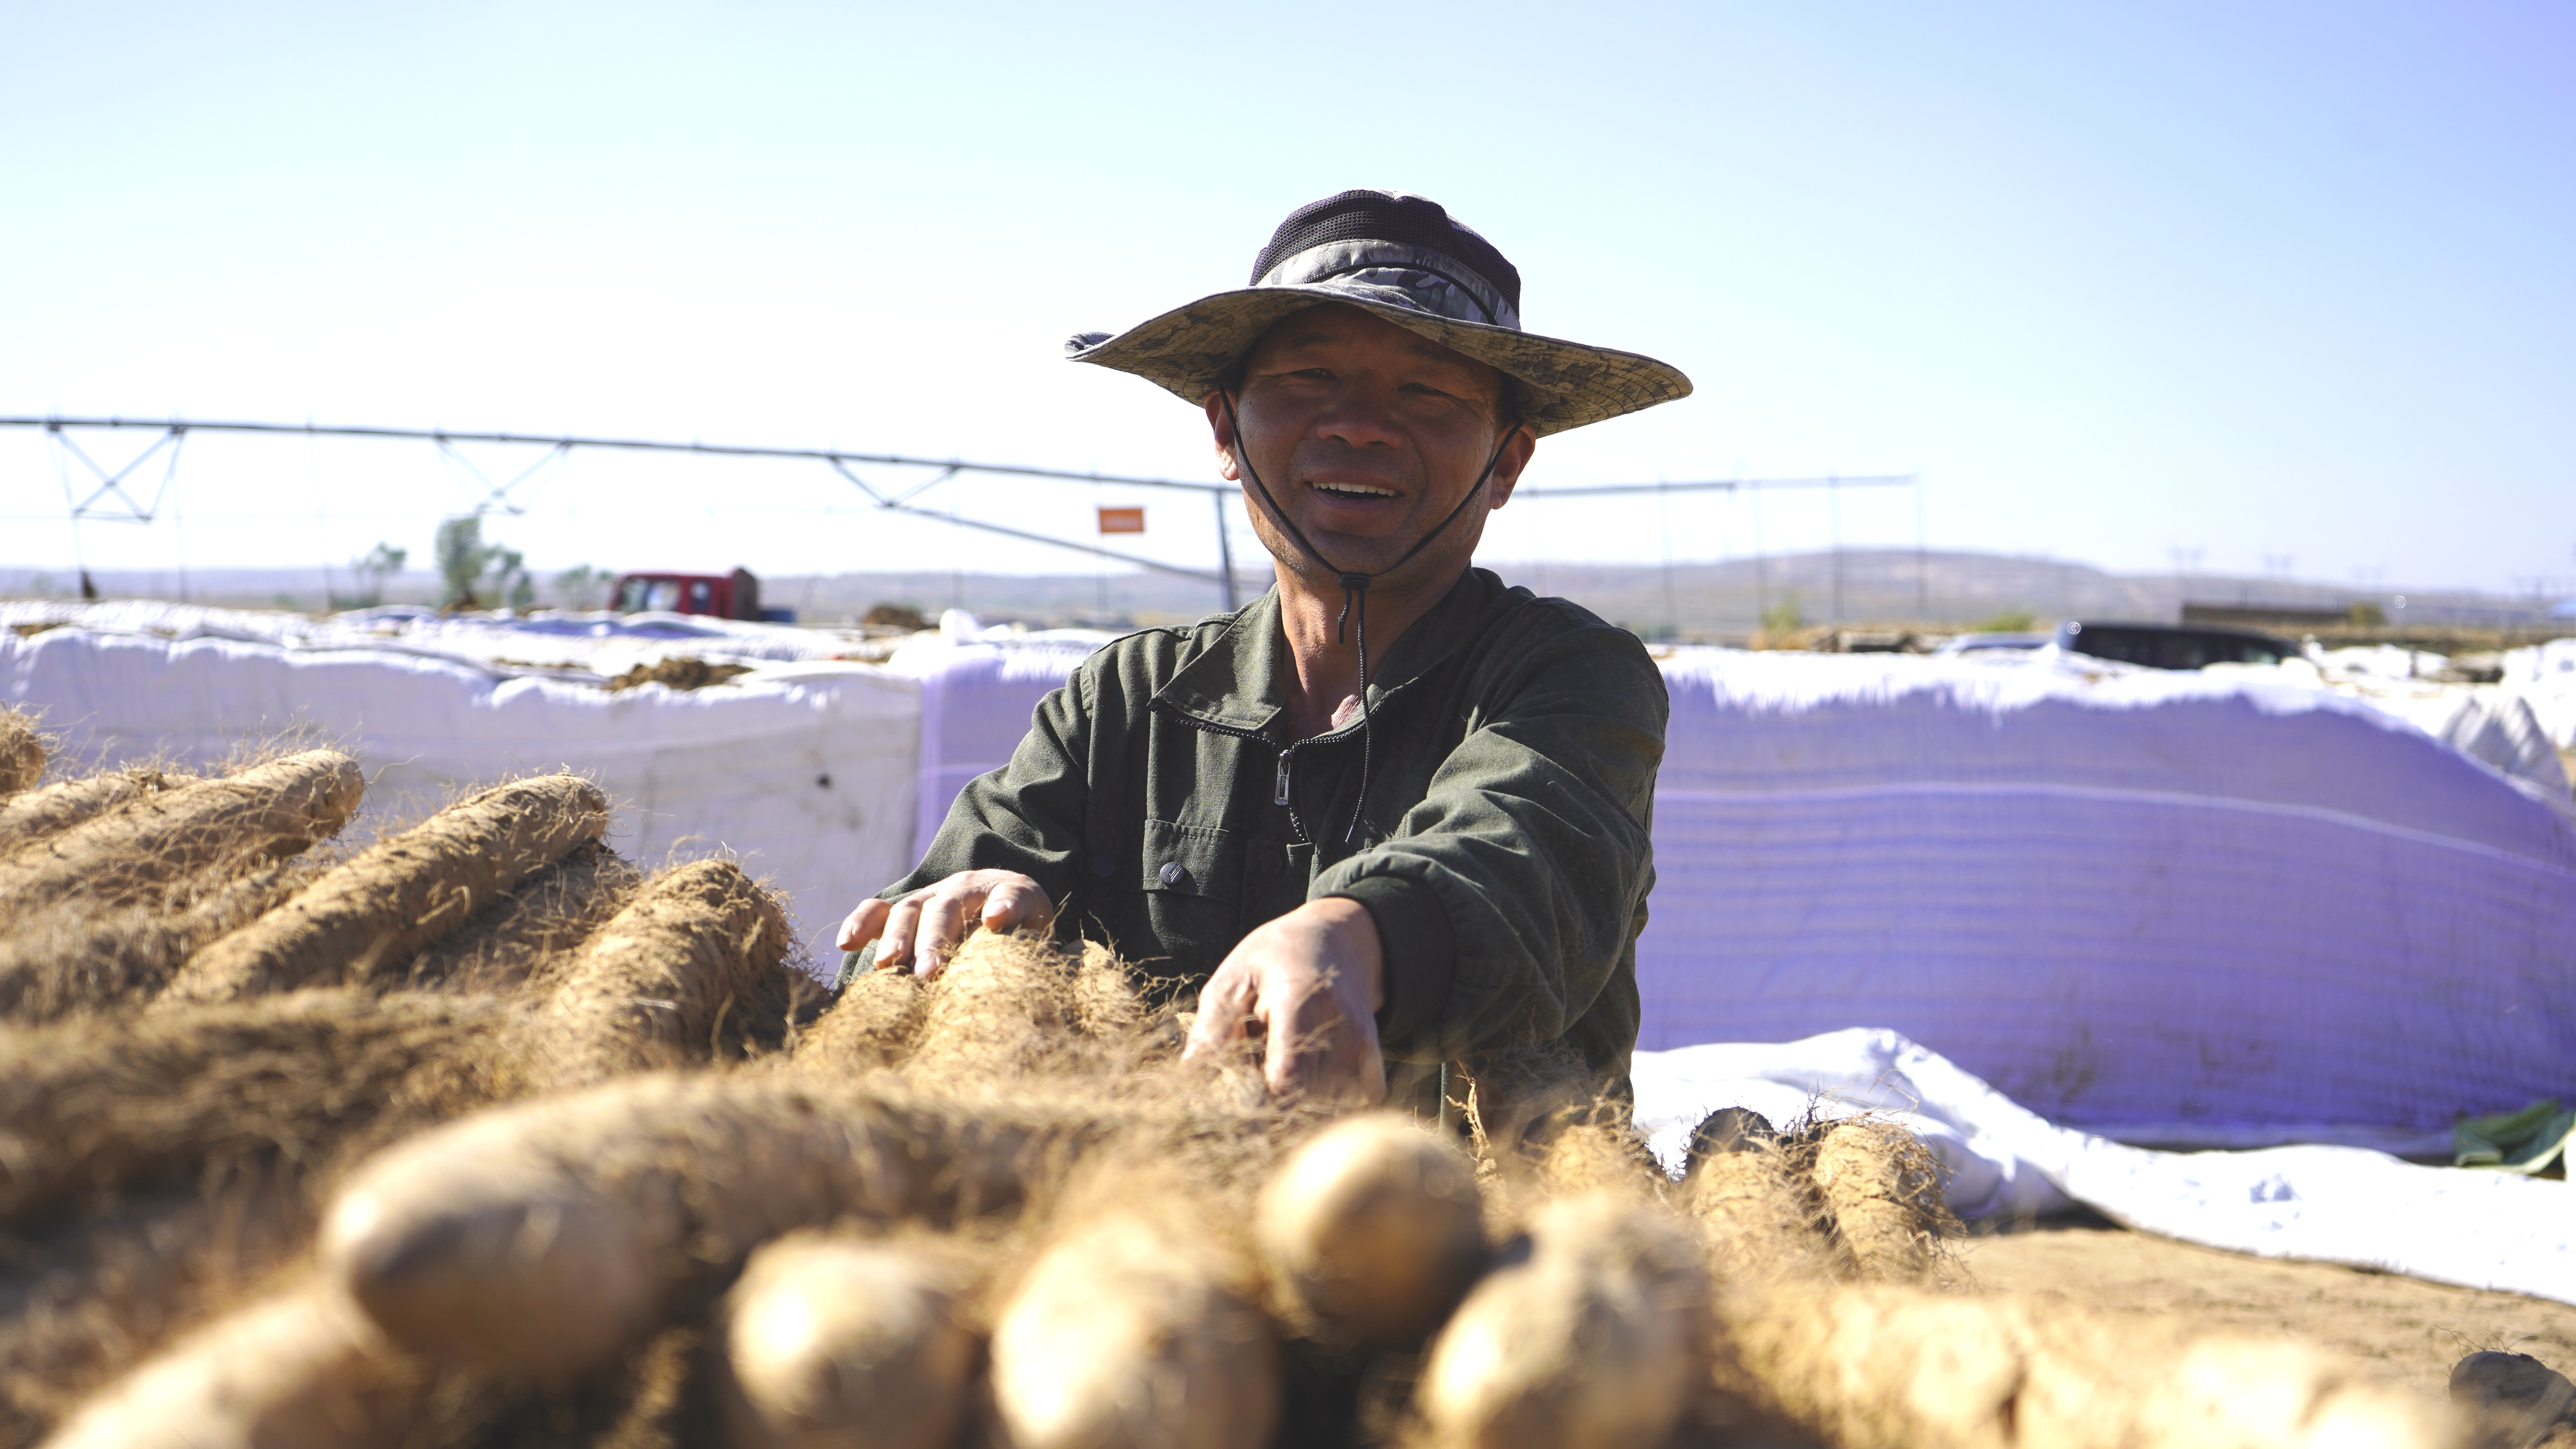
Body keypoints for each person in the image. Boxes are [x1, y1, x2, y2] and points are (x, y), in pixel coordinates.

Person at [835, 189, 1690, 1115]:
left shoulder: (1567, 674)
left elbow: (1524, 860)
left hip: (1482, 1236)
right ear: (1225, 433)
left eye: (1427, 391)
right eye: (1309, 379)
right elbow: (899, 956)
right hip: (1132, 1224)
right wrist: (974, 911)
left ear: (1507, 463)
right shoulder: (1126, 702)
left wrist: (1353, 935)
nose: (1360, 424)